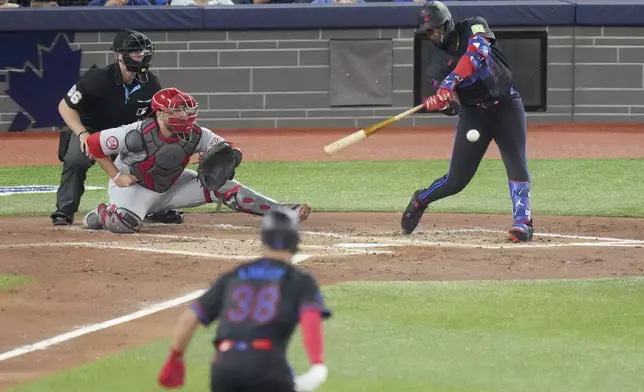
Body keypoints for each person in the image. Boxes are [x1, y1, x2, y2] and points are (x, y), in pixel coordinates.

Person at [82, 87, 311, 234]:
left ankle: (282, 212)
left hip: (173, 186)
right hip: (135, 188)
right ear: (160, 113)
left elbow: (228, 147)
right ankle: (103, 212)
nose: (184, 115)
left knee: (223, 187)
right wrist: (116, 175)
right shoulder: (135, 133)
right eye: (177, 111)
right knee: (122, 224)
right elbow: (93, 143)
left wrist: (230, 157)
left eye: (186, 110)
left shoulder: (197, 134)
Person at [401, 1, 533, 243]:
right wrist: (442, 101)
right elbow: (454, 107)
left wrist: (450, 81)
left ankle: (523, 222)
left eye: (437, 28)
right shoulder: (435, 66)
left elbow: (478, 52)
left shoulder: (474, 25)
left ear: (447, 23)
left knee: (516, 162)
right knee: (456, 181)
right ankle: (421, 199)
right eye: (429, 31)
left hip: (507, 104)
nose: (434, 35)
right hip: (474, 115)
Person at [157, 208, 331, 392]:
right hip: (268, 367)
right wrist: (318, 364)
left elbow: (190, 318)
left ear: (264, 240)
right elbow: (310, 320)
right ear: (295, 241)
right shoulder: (299, 280)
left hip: (225, 368)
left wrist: (174, 359)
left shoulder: (234, 276)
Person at [51, 29, 183, 226]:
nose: (140, 55)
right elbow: (65, 106)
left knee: (155, 157)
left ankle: (154, 207)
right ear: (118, 55)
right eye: (134, 51)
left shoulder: (151, 83)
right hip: (92, 129)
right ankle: (64, 210)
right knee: (76, 160)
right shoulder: (97, 78)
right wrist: (82, 133)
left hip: (127, 133)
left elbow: (157, 118)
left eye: (143, 51)